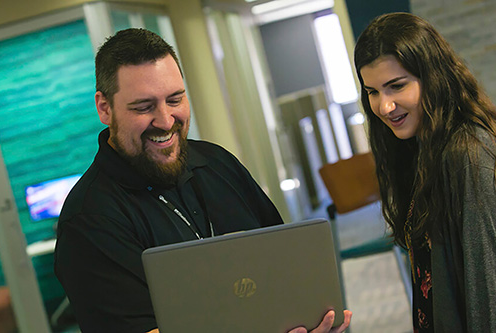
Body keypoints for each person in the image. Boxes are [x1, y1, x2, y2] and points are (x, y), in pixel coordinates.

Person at [54, 28, 351, 332]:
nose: (166, 120)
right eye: (144, 107)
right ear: (105, 108)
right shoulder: (89, 220)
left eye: (175, 99)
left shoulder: (217, 162)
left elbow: (283, 264)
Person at [354, 12, 496, 332]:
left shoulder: (469, 154)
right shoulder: (423, 148)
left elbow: (487, 285)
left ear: (432, 76)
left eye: (396, 86)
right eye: (373, 92)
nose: (385, 106)